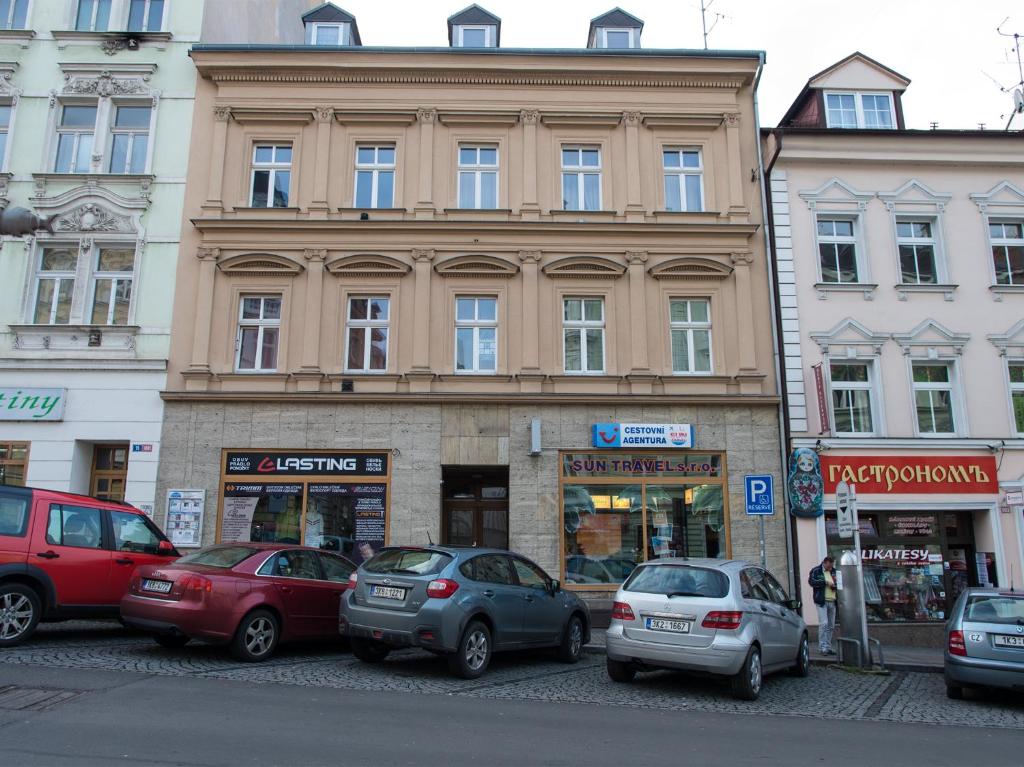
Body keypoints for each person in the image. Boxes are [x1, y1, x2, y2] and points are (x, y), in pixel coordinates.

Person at [808, 556, 838, 655]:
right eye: (829, 565)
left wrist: (835, 585)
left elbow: (839, 583)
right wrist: (825, 582)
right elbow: (811, 582)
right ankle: (822, 647)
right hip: (821, 601)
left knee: (831, 625)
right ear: (825, 563)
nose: (830, 568)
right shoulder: (816, 570)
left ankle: (828, 647)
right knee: (824, 623)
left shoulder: (834, 571)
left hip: (832, 601)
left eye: (832, 566)